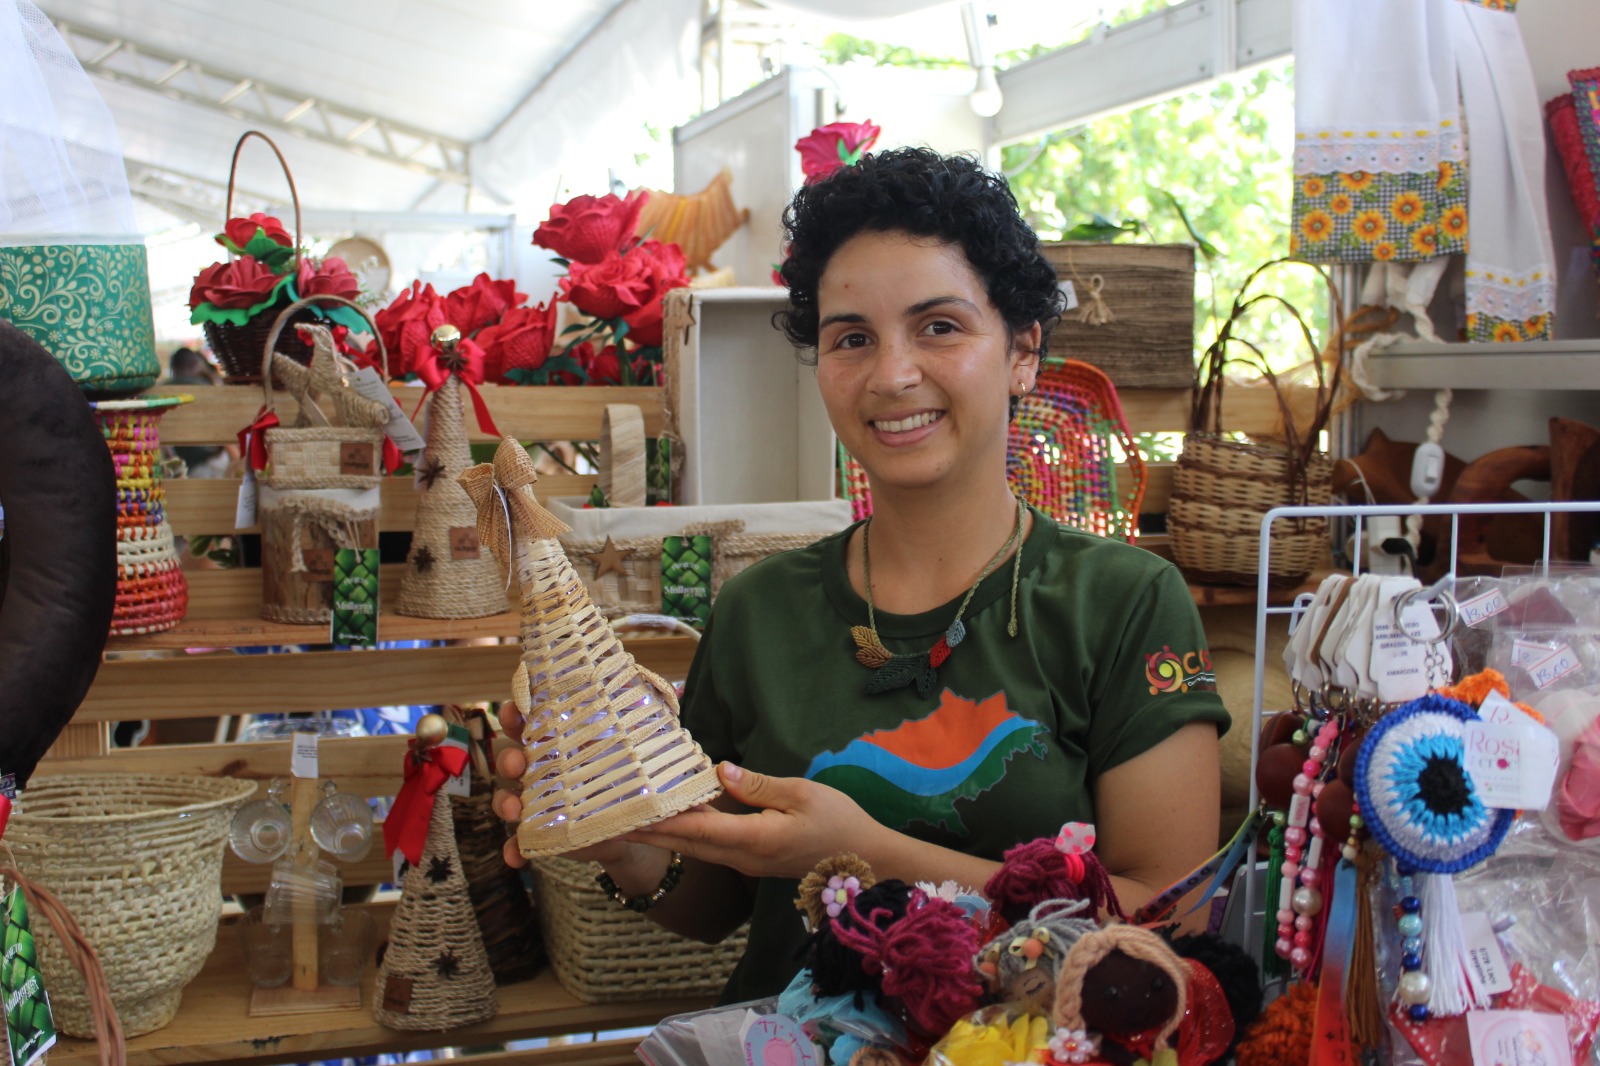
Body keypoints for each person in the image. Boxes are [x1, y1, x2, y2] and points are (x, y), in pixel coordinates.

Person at [494, 147, 1228, 1002]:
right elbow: (718, 902)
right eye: (852, 338)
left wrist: (872, 855)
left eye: (940, 327)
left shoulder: (1124, 602)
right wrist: (628, 844)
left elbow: (1169, 923)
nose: (892, 374)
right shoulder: (759, 608)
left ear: (1023, 351)